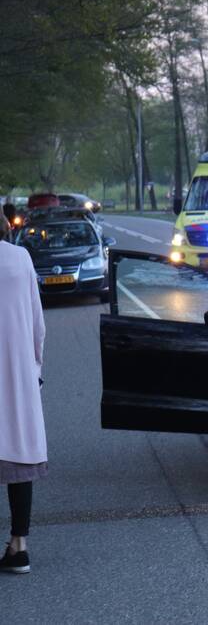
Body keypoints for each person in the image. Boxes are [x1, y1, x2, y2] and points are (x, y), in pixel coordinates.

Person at [0, 215, 46, 575]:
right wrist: (35, 370)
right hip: (16, 373)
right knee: (18, 457)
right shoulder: (20, 259)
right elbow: (37, 323)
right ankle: (20, 546)